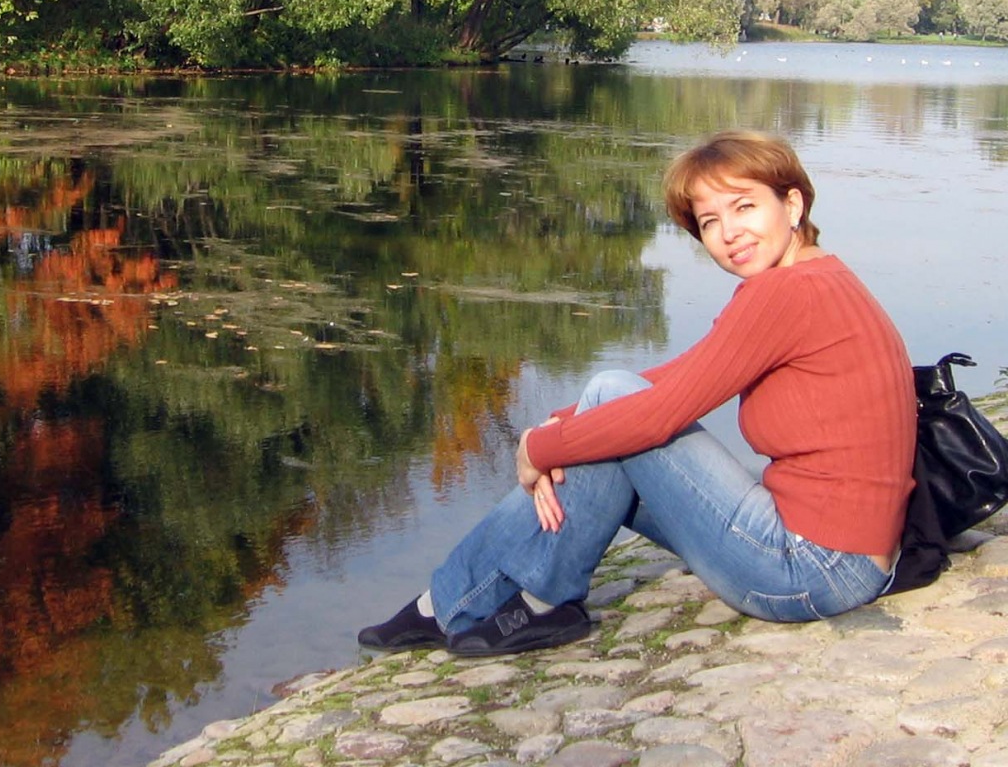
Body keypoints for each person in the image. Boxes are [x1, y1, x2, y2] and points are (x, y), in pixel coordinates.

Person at [358, 129, 916, 657]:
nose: (729, 233)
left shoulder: (785, 294)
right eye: (710, 221)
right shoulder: (818, 276)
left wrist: (539, 450)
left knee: (613, 410)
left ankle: (493, 601)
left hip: (812, 570)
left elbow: (658, 415)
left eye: (744, 206)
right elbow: (686, 374)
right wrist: (563, 423)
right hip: (841, 557)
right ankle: (469, 601)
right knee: (607, 404)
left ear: (792, 204)